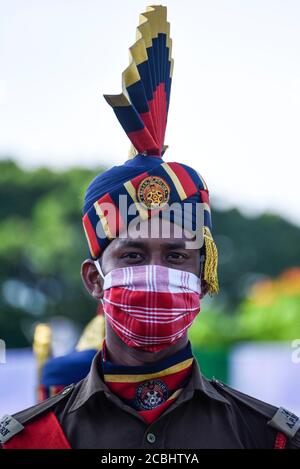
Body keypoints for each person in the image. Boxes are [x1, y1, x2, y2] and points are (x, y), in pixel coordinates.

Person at [1, 5, 299, 449]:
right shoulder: (31, 440)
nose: (156, 273)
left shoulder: (266, 438)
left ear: (202, 276)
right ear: (93, 278)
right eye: (133, 255)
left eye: (177, 255)